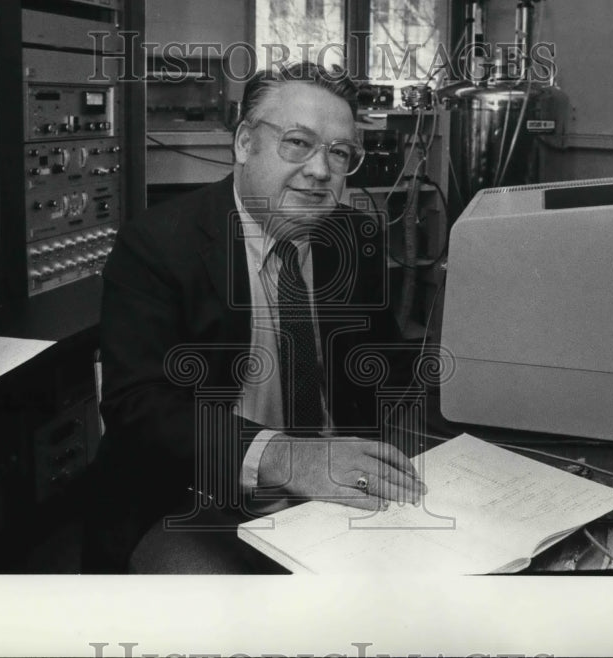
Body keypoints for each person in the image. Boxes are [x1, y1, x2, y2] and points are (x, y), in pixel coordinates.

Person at [81, 62, 424, 573]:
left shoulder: (354, 237)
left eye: (339, 152)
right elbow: (137, 406)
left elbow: (384, 369)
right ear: (244, 143)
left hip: (334, 492)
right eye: (298, 143)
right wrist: (285, 457)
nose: (320, 171)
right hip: (200, 497)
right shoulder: (158, 244)